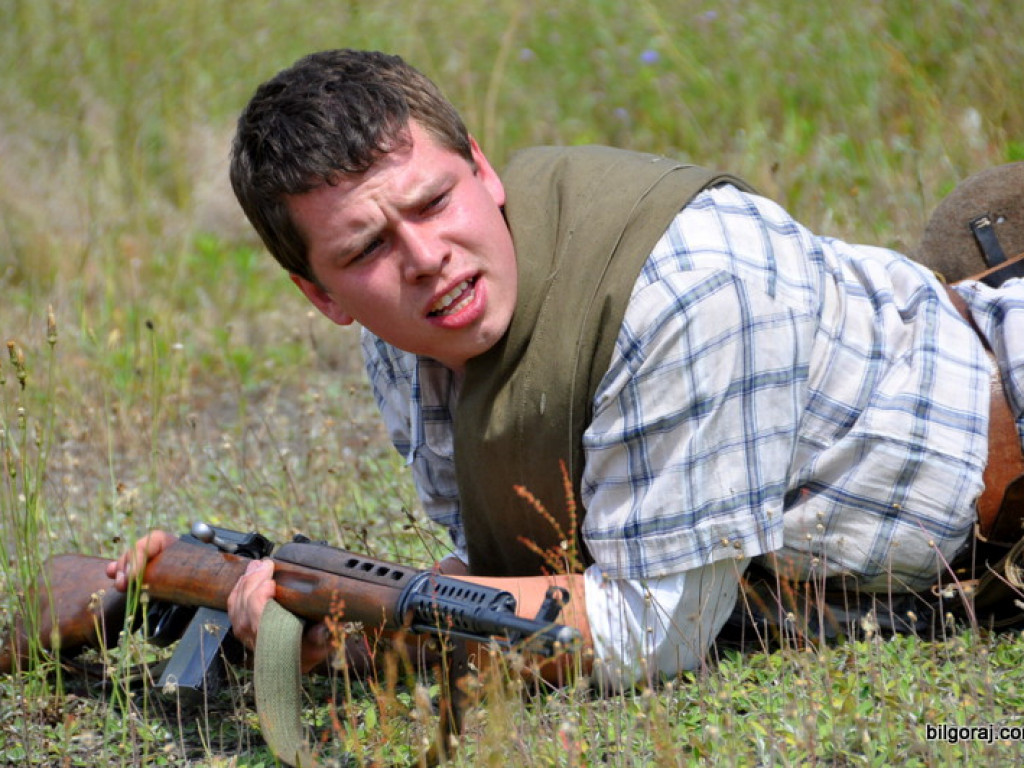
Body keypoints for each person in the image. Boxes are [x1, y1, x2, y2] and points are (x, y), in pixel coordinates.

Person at [109, 49, 1024, 690]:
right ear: (323, 295)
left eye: (435, 201)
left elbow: (653, 635)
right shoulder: (399, 338)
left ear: (483, 169)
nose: (427, 257)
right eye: (369, 248)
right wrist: (315, 605)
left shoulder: (688, 285)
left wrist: (379, 634)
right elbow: (529, 563)